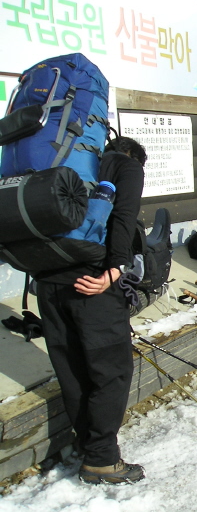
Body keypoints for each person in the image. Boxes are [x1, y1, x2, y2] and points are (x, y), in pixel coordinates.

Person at [35, 137, 147, 484]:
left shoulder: (63, 166)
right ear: (134, 158)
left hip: (47, 280)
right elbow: (124, 217)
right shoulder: (124, 166)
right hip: (91, 283)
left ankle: (89, 447)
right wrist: (115, 269)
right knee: (111, 370)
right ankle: (100, 458)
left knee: (72, 369)